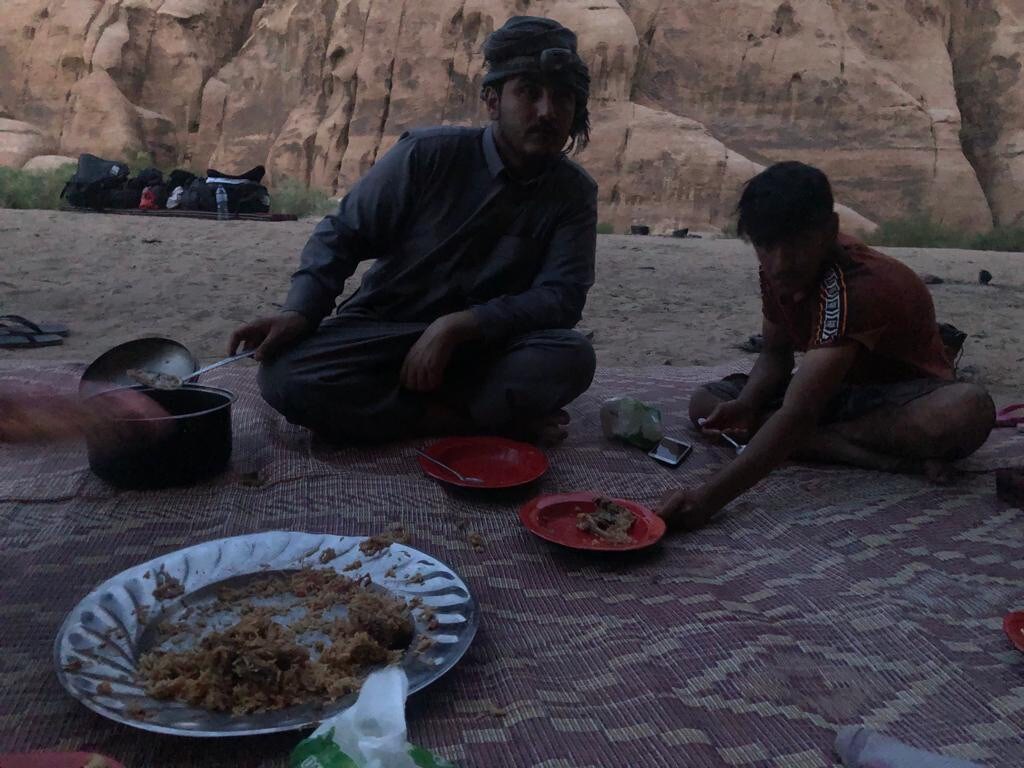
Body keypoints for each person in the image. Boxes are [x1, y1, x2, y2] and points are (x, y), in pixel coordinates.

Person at [229, 16, 598, 444]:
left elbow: (561, 297)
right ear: (493, 101)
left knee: (570, 357)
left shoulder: (573, 192)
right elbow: (343, 233)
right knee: (285, 376)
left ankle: (424, 414)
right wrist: (301, 311)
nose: (547, 112)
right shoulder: (427, 156)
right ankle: (472, 420)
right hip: (387, 332)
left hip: (486, 344)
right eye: (529, 93)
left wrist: (457, 326)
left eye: (563, 98)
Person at [658, 161, 995, 531]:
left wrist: (708, 498)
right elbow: (774, 354)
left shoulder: (859, 286)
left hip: (899, 398)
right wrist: (747, 403)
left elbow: (800, 410)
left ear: (829, 231)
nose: (781, 263)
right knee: (705, 404)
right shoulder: (778, 271)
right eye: (766, 246)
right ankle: (871, 456)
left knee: (966, 411)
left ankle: (812, 443)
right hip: (834, 393)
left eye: (798, 244)